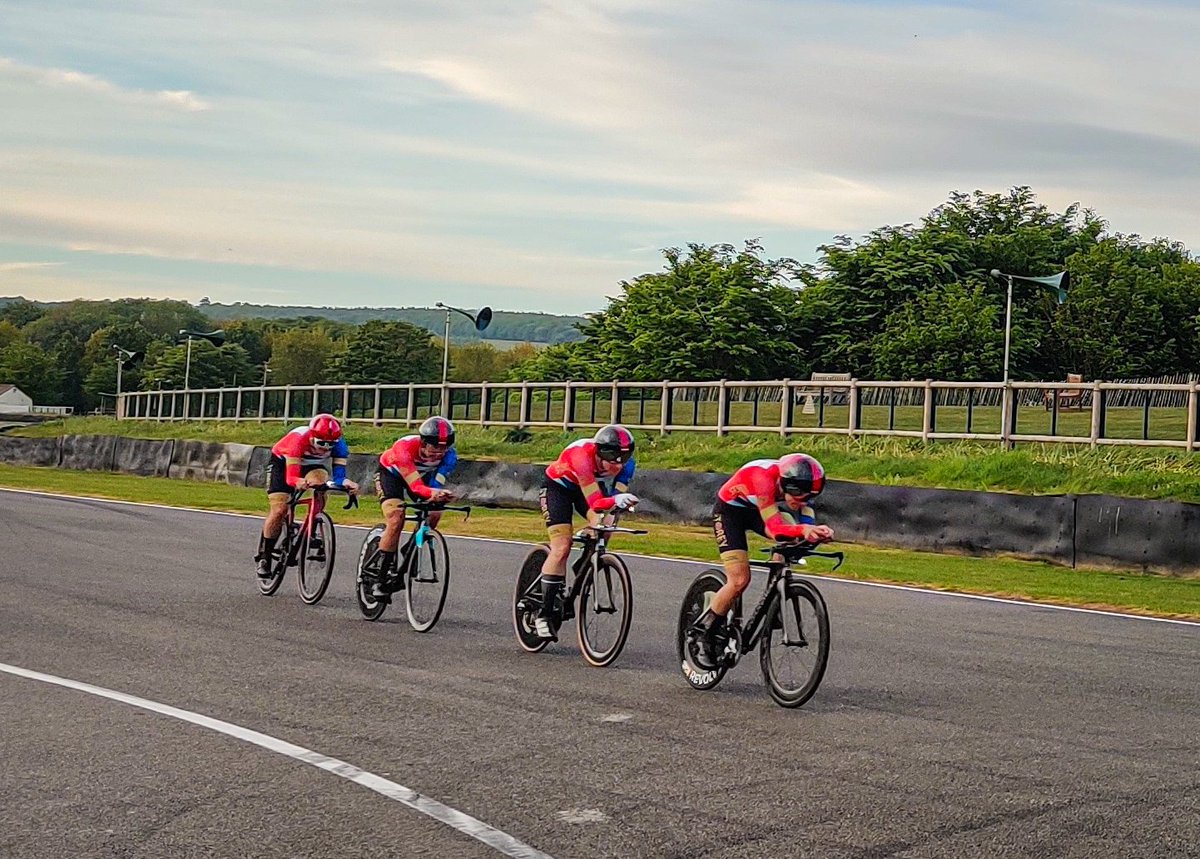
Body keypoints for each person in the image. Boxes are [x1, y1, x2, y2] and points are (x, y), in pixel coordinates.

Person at [692, 453, 834, 668]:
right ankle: (704, 633)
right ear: (786, 484)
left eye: (808, 497)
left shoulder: (802, 485)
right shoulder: (763, 479)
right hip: (730, 513)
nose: (801, 501)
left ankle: (774, 599)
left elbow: (805, 520)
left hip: (756, 510)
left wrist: (815, 533)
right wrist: (804, 529)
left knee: (793, 538)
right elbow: (776, 529)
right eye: (797, 495)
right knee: (739, 580)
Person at [535, 424, 639, 640]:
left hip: (586, 490)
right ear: (600, 454)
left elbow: (611, 505)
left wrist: (608, 516)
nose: (618, 467)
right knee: (562, 546)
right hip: (558, 490)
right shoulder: (582, 457)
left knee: (607, 523)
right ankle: (543, 615)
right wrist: (612, 501)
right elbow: (597, 501)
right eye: (612, 461)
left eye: (623, 460)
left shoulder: (626, 465)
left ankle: (584, 564)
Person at [255, 413, 359, 577]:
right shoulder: (299, 439)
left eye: (330, 445)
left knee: (321, 484)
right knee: (280, 509)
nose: (325, 448)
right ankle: (265, 557)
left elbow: (339, 476)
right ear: (312, 436)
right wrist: (297, 481)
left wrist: (346, 482)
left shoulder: (340, 445)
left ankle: (313, 525)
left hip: (313, 465)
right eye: (321, 443)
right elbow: (291, 477)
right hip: (284, 463)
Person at [370, 415, 459, 598]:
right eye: (435, 447)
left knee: (434, 513)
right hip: (392, 476)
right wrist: (431, 492)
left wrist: (440, 495)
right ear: (423, 443)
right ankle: (379, 580)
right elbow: (416, 487)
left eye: (444, 447)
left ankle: (410, 548)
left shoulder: (450, 457)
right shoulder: (404, 448)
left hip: (421, 478)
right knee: (396, 518)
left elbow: (435, 484)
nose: (439, 452)